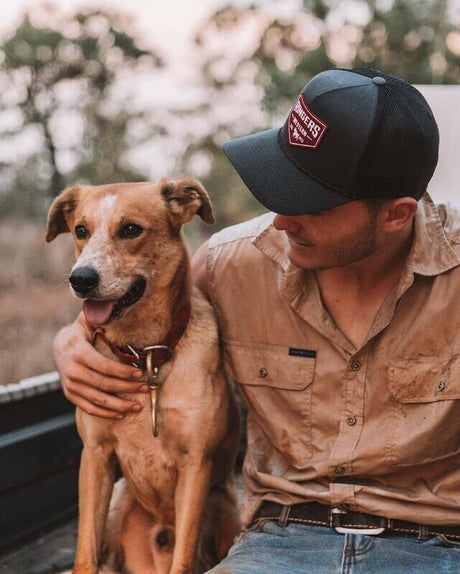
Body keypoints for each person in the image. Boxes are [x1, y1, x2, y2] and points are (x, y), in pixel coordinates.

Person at [54, 68, 460, 573]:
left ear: (396, 215)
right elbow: (135, 300)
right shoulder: (230, 263)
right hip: (281, 542)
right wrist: (72, 340)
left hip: (434, 546)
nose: (281, 219)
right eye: (280, 184)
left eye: (309, 203)